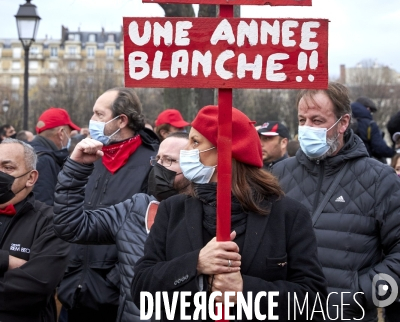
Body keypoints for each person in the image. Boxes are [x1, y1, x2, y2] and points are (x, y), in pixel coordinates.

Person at [132, 106, 328, 321]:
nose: (186, 149)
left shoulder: (287, 215)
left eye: (195, 142)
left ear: (226, 152)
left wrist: (246, 291)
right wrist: (195, 263)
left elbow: (312, 301)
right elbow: (142, 288)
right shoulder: (172, 209)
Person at [273, 83, 400, 322]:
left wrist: (361, 295)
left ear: (342, 123)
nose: (307, 129)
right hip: (287, 311)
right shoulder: (278, 174)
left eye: (317, 121)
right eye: (302, 120)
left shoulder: (379, 178)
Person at [53, 131, 190, 322]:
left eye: (169, 161)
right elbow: (71, 225)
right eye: (157, 159)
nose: (159, 167)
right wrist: (77, 167)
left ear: (195, 167)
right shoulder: (137, 208)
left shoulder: (209, 216)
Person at [57, 87, 159, 322]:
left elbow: (150, 234)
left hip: (115, 297)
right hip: (73, 289)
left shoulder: (152, 163)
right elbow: (66, 215)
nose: (91, 121)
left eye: (98, 114)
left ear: (121, 120)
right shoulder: (86, 157)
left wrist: (115, 279)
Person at [0, 138, 70, 322]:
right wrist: (6, 260)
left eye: (8, 168)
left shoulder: (51, 222)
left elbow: (35, 287)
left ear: (31, 177)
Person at [31, 108, 80, 205]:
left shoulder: (29, 151)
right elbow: (43, 206)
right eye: (69, 134)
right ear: (61, 133)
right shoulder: (45, 160)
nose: (69, 138)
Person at [351, 96, 394, 161]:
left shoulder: (345, 121)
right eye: (371, 112)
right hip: (365, 162)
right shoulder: (370, 124)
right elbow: (379, 148)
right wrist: (394, 153)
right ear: (368, 109)